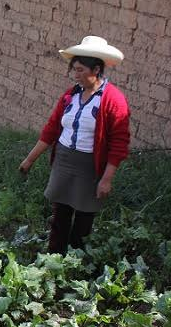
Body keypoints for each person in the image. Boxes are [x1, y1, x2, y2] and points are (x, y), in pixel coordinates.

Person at [19, 36, 130, 255]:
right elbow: (51, 129)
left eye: (80, 70)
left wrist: (106, 179)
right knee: (60, 213)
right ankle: (54, 258)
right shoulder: (70, 95)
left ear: (96, 69)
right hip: (63, 160)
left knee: (84, 216)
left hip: (89, 166)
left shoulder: (113, 101)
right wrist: (30, 159)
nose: (75, 75)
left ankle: (77, 260)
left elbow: (119, 144)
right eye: (74, 70)